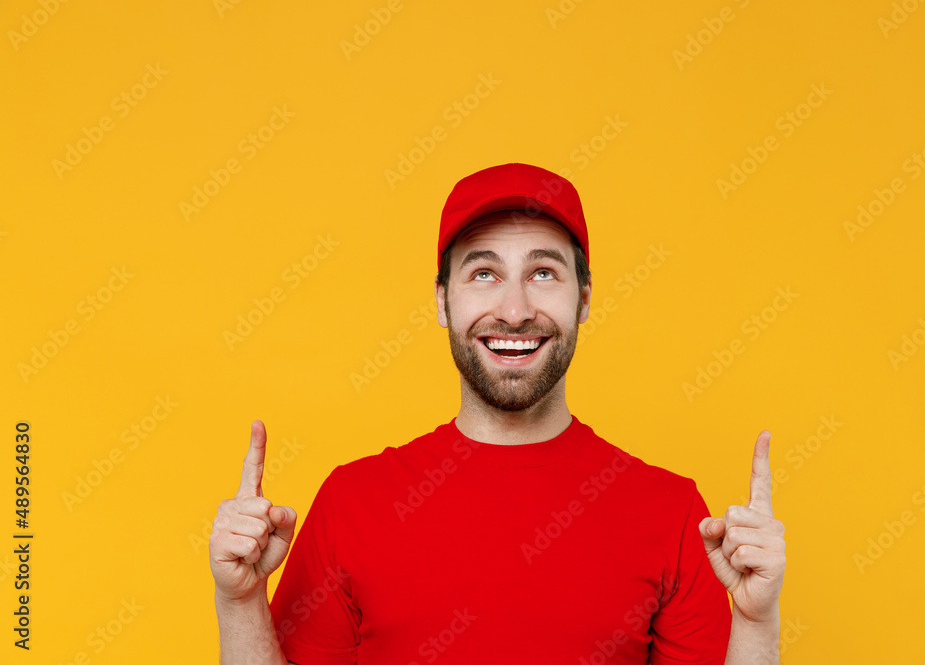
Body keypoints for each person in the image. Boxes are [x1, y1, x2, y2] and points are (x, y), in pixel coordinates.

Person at [209, 163, 786, 664]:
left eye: (543, 273)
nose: (514, 310)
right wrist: (238, 604)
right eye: (484, 273)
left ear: (583, 299)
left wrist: (757, 622)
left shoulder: (674, 515)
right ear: (442, 301)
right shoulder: (351, 504)